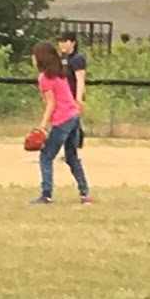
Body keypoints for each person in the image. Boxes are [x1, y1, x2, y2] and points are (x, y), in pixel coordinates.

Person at [28, 41, 91, 205]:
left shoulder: (44, 78)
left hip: (63, 119)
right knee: (72, 157)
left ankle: (46, 194)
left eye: (34, 56)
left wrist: (42, 126)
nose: (32, 59)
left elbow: (51, 104)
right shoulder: (60, 73)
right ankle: (85, 194)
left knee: (45, 156)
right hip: (73, 116)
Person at [57, 30, 86, 153]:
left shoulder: (77, 58)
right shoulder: (63, 57)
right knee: (67, 124)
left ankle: (72, 151)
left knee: (72, 124)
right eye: (60, 41)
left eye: (65, 41)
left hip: (72, 96)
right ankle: (69, 150)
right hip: (64, 96)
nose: (62, 44)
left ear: (73, 42)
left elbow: (80, 79)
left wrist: (78, 98)